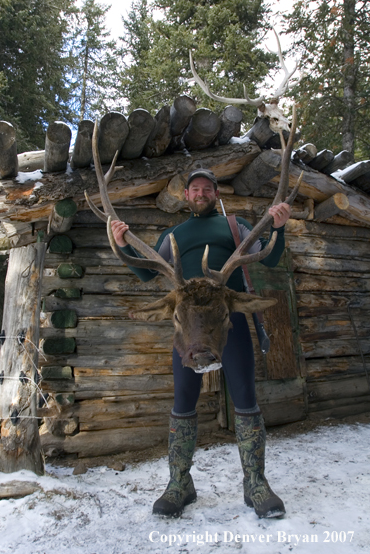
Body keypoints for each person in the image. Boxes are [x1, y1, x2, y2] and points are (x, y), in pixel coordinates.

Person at [111, 168, 291, 519]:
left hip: (228, 318)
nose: (201, 193)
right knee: (183, 402)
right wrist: (121, 243)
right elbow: (147, 272)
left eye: (208, 188)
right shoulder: (173, 235)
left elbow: (269, 257)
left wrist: (279, 227)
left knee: (245, 398)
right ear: (186, 195)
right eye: (195, 188)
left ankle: (255, 482)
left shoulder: (235, 228)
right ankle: (179, 483)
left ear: (216, 194)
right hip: (187, 324)